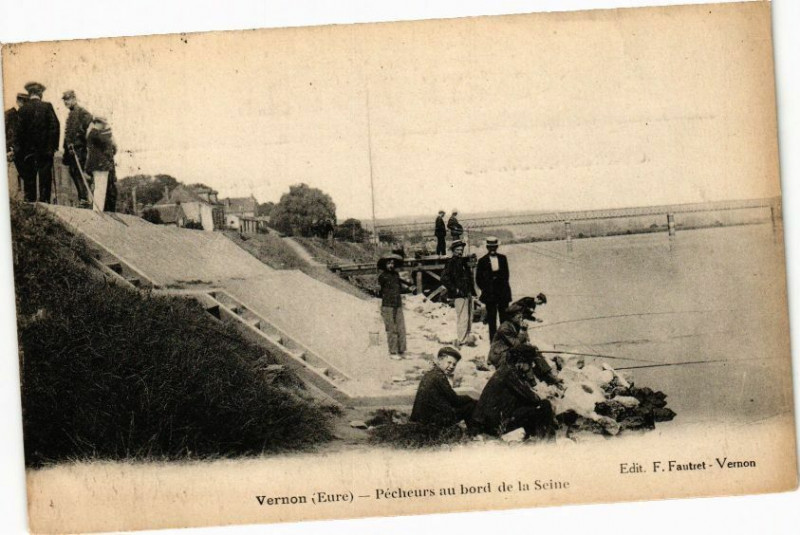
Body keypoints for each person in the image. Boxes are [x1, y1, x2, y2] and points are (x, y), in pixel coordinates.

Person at [471, 344, 558, 440]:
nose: (532, 366)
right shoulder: (510, 374)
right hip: (494, 425)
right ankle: (546, 441)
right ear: (521, 362)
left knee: (532, 407)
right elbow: (532, 397)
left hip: (488, 421)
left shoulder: (507, 369)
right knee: (544, 405)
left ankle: (538, 436)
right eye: (530, 362)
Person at [14, 82, 60, 203]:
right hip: (45, 150)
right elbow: (55, 126)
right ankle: (44, 203)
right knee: (45, 176)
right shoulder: (47, 106)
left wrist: (19, 150)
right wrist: (53, 147)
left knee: (29, 176)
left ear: (29, 94)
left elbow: (18, 132)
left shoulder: (22, 110)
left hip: (27, 151)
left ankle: (30, 202)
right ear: (41, 94)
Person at [410, 346, 477, 428]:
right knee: (471, 405)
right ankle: (474, 432)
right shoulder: (439, 376)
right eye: (449, 362)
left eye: (454, 364)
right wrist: (469, 398)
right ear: (439, 360)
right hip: (431, 423)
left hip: (421, 421)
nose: (452, 366)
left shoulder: (431, 374)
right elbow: (455, 400)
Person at [440, 239, 477, 346]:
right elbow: (444, 278)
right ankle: (462, 340)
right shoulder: (451, 262)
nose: (460, 252)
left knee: (469, 317)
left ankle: (467, 336)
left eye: (461, 250)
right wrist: (454, 289)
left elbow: (469, 278)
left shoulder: (463, 262)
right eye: (457, 250)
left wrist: (473, 292)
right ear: (453, 251)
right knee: (463, 317)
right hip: (459, 295)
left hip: (467, 293)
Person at [476, 236, 512, 342]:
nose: (492, 249)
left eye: (494, 247)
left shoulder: (503, 258)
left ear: (497, 247)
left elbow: (506, 276)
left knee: (504, 319)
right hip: (490, 295)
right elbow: (478, 279)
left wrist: (500, 284)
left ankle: (504, 341)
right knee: (491, 320)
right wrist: (486, 289)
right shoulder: (482, 261)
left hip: (502, 293)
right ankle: (493, 343)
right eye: (490, 247)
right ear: (487, 247)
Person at [61, 90, 93, 205]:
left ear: (74, 99)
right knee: (74, 172)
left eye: (68, 99)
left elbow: (89, 129)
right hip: (72, 151)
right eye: (65, 100)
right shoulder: (72, 113)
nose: (66, 102)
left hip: (79, 150)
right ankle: (83, 198)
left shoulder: (82, 112)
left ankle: (84, 198)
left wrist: (81, 140)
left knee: (79, 172)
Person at [377, 253, 412, 356]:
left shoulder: (396, 275)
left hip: (398, 304)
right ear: (385, 265)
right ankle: (393, 351)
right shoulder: (382, 276)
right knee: (391, 329)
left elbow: (399, 288)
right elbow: (382, 290)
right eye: (388, 263)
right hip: (387, 305)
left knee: (401, 328)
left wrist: (408, 288)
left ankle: (402, 350)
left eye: (392, 263)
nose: (391, 265)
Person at [84, 116, 118, 212]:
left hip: (98, 165)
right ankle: (98, 209)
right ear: (97, 123)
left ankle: (98, 209)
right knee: (100, 189)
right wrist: (109, 130)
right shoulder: (95, 133)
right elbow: (106, 140)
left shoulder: (93, 133)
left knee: (100, 188)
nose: (104, 126)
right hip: (100, 165)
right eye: (103, 124)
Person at [487, 302, 528, 368]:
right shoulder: (505, 328)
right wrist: (523, 331)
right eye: (518, 315)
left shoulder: (515, 325)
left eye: (521, 314)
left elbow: (524, 341)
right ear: (512, 316)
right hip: (498, 355)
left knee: (531, 350)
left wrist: (524, 331)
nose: (521, 317)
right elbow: (516, 343)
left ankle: (546, 373)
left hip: (507, 351)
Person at [5, 92, 29, 194]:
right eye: (25, 103)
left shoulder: (20, 115)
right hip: (9, 152)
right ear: (19, 102)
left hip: (17, 152)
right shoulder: (9, 114)